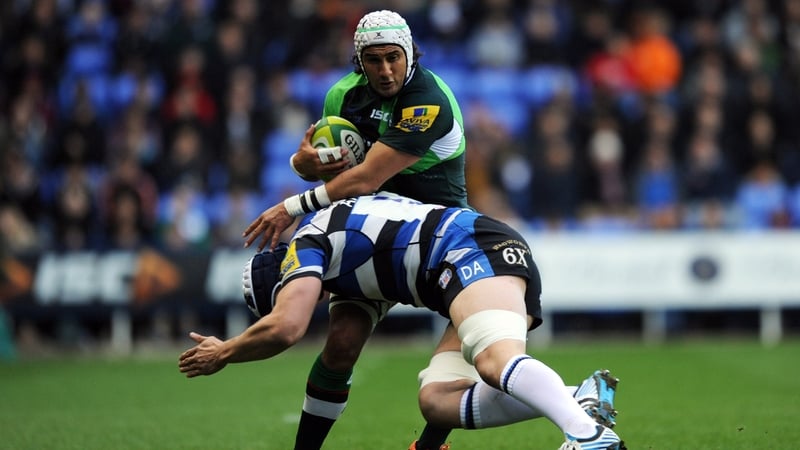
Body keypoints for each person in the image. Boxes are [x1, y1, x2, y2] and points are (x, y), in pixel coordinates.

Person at [181, 192, 625, 450]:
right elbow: (337, 353)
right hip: (470, 262)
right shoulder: (345, 274)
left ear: (285, 279)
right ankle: (578, 398)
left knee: (494, 361)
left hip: (471, 251)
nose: (308, 302)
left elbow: (286, 327)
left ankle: (586, 435)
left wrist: (225, 351)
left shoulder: (308, 241)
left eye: (290, 294)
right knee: (436, 399)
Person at [242, 10, 473, 449]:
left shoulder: (430, 99)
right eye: (374, 60)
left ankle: (431, 445)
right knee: (342, 343)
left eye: (393, 58)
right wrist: (302, 164)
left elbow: (366, 177)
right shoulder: (342, 98)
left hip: (437, 235)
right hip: (374, 235)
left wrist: (290, 206)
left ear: (409, 55)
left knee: (471, 333)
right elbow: (333, 170)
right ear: (358, 61)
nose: (385, 71)